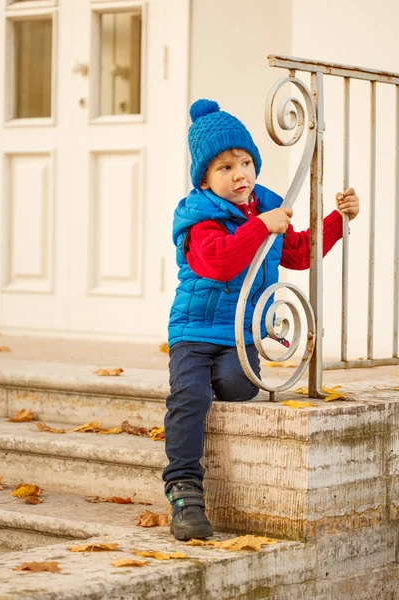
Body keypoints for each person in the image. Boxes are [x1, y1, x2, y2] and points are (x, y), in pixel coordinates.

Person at [164, 99, 360, 541]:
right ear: (205, 178)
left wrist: (338, 219)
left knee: (240, 384)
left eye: (246, 162)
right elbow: (219, 262)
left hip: (238, 334)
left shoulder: (266, 206)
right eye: (225, 167)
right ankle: (184, 489)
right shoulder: (199, 217)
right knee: (190, 397)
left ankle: (214, 380)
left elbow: (295, 253)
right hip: (194, 331)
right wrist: (261, 227)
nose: (240, 174)